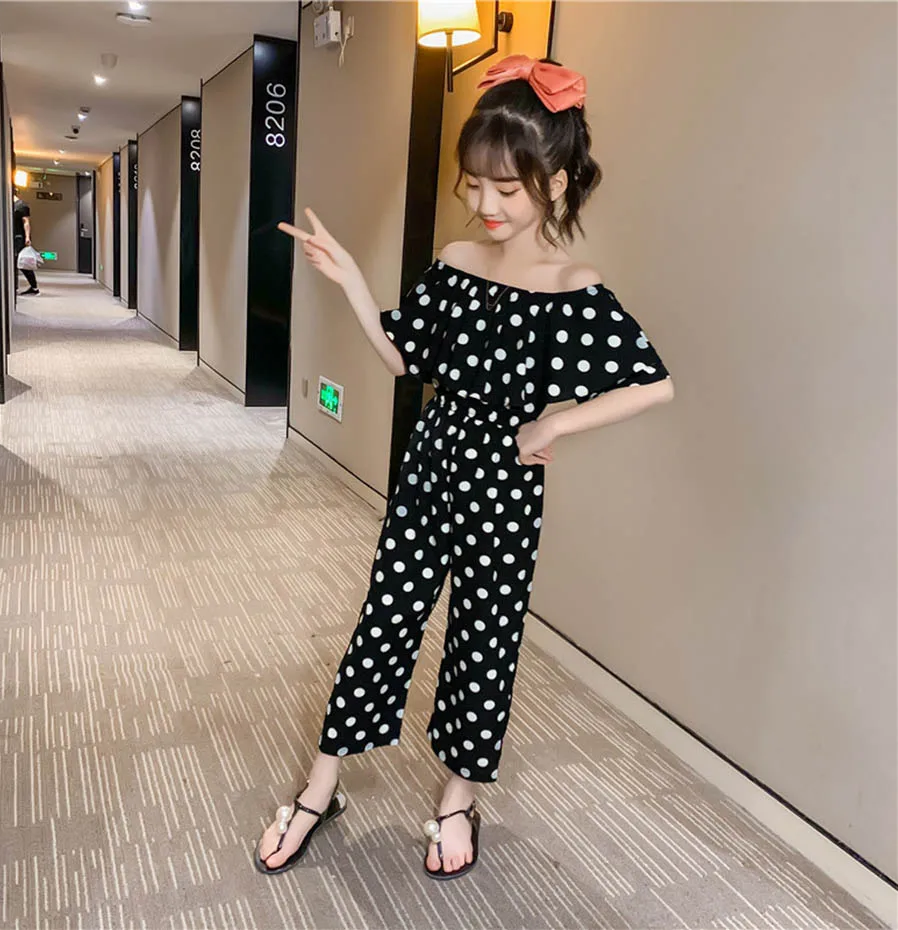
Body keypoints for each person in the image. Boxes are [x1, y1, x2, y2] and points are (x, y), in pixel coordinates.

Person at [256, 55, 674, 880]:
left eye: (506, 188)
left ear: (555, 182)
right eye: (476, 183)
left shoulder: (573, 287)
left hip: (507, 485)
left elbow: (653, 384)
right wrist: (352, 282)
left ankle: (458, 796)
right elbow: (401, 356)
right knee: (385, 619)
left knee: (485, 639)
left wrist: (553, 421)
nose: (486, 204)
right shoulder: (454, 260)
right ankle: (321, 786)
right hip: (433, 460)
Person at [13, 190, 39, 296]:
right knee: (16, 263)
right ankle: (16, 287)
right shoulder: (11, 206)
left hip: (20, 237)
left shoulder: (21, 205)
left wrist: (27, 237)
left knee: (22, 262)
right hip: (13, 236)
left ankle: (34, 287)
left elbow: (26, 222)